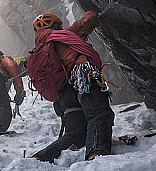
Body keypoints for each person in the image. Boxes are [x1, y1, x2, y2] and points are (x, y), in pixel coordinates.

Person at [30, 11, 114, 162]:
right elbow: (84, 24)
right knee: (100, 115)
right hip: (83, 80)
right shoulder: (61, 35)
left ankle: (40, 157)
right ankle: (97, 154)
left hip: (65, 96)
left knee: (76, 133)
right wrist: (92, 13)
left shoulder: (42, 47)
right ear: (55, 25)